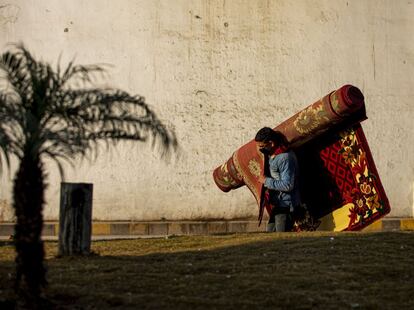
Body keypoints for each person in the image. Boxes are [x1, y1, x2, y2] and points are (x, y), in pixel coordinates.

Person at [255, 127, 301, 232]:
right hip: (278, 204)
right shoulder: (272, 155)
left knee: (281, 241)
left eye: (262, 146)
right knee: (270, 236)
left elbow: (288, 185)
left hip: (286, 205)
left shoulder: (285, 158)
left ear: (271, 143)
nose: (260, 149)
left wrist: (266, 181)